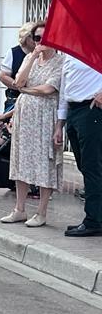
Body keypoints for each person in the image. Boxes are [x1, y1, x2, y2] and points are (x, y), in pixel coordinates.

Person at [0, 22, 64, 228]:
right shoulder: (30, 57)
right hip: (25, 116)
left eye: (45, 38)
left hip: (46, 117)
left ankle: (42, 212)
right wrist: (34, 56)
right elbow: (18, 82)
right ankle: (19, 209)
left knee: (45, 161)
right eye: (37, 38)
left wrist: (26, 90)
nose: (41, 42)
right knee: (21, 159)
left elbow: (48, 89)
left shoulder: (61, 62)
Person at [55, 52, 102, 237]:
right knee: (85, 165)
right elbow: (65, 89)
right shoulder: (69, 53)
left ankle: (93, 220)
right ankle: (96, 215)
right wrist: (60, 123)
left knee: (92, 166)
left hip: (92, 109)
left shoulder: (97, 45)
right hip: (74, 111)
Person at [0, 21, 37, 113]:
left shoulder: (42, 53)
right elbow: (3, 76)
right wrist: (19, 87)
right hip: (15, 99)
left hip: (36, 99)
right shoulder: (14, 52)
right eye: (33, 37)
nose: (35, 40)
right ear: (25, 37)